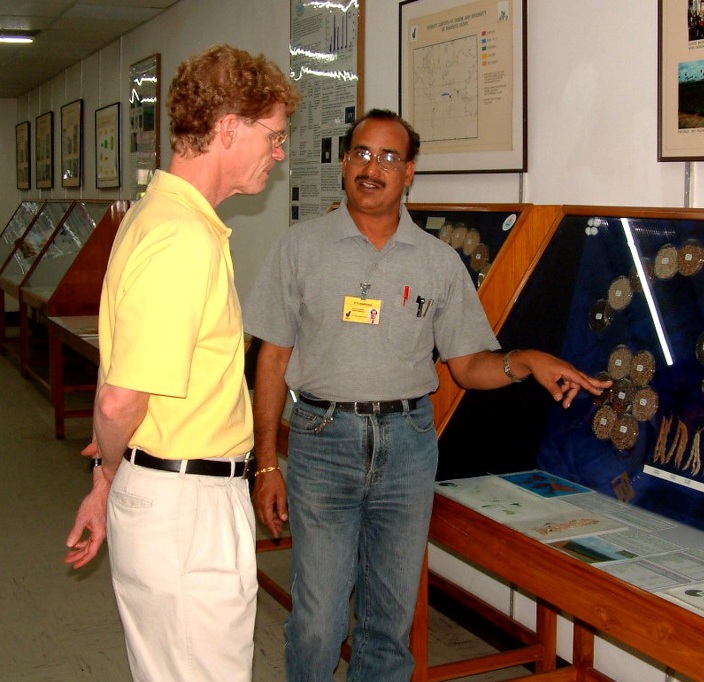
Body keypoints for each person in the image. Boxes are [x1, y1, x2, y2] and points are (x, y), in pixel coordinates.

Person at [244, 108, 611, 681]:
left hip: (407, 449)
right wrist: (265, 462)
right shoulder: (300, 249)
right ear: (345, 162)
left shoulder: (439, 263)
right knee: (318, 621)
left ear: (409, 172)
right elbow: (273, 359)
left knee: (388, 624)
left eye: (390, 157)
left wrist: (527, 361)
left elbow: (468, 366)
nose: (373, 167)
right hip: (324, 442)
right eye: (363, 153)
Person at [63, 45, 299, 682]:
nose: (279, 154)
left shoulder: (161, 218)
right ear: (229, 129)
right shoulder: (181, 237)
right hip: (186, 509)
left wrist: (110, 485)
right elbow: (119, 402)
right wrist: (114, 476)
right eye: (273, 136)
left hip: (166, 494)